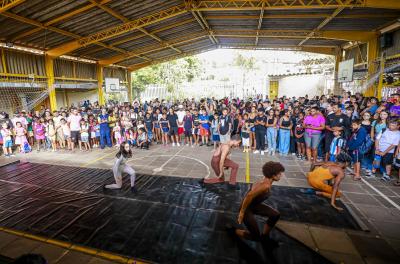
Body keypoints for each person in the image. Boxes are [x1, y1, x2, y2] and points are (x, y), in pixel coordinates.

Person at [232, 161, 284, 244]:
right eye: (279, 173)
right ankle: (233, 231)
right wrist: (242, 212)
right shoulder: (265, 185)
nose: (281, 175)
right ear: (273, 175)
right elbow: (249, 196)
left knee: (275, 215)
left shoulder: (266, 181)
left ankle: (264, 236)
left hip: (254, 205)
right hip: (247, 208)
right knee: (255, 237)